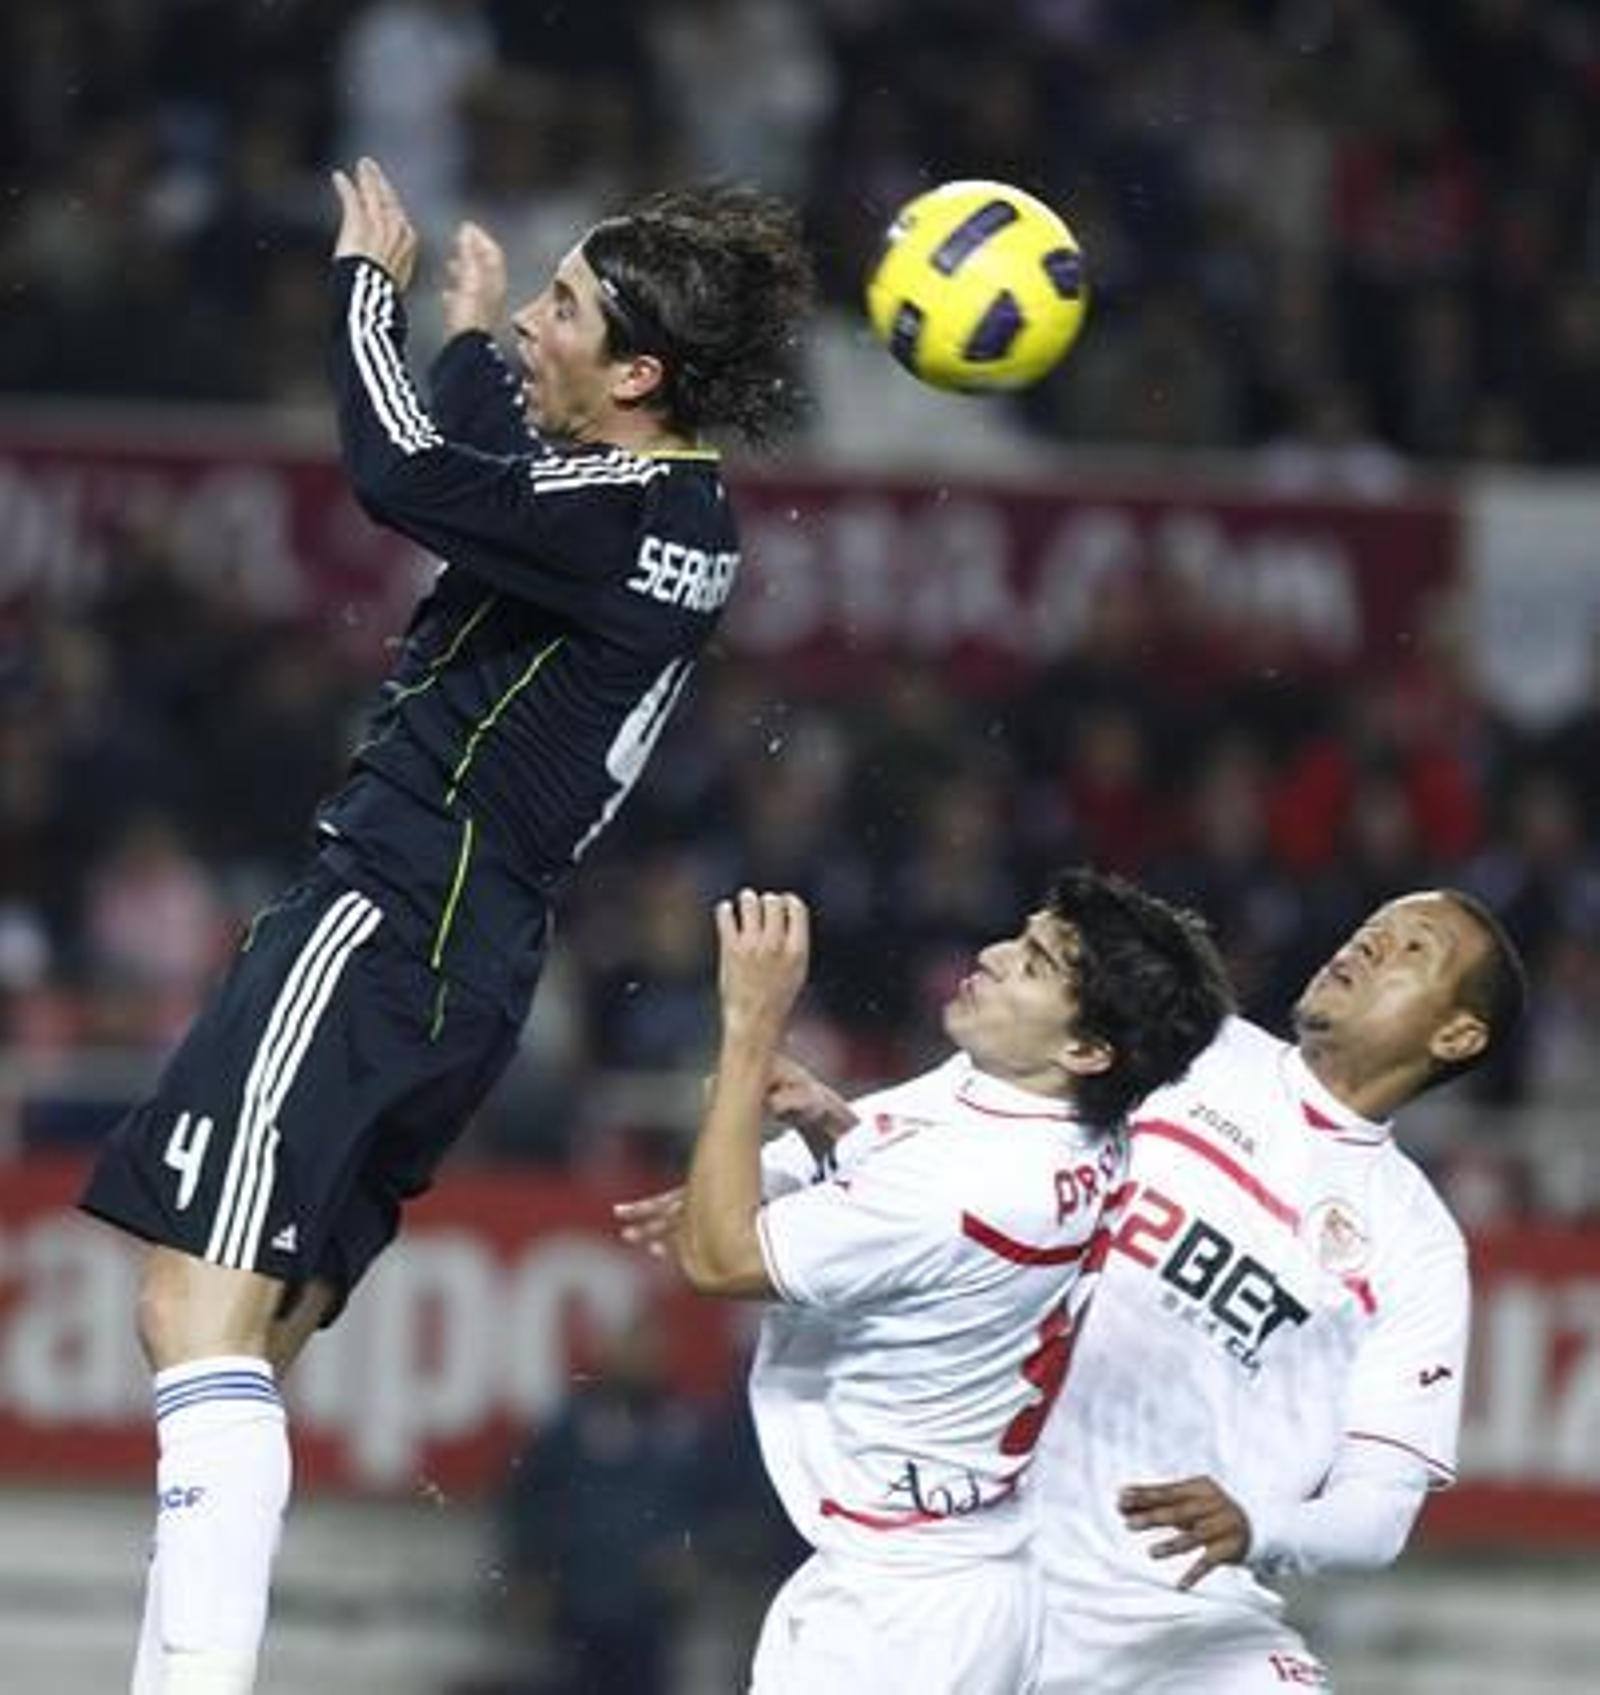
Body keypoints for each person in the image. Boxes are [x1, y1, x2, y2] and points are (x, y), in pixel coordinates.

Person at [78, 156, 814, 1695]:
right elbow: (507, 498)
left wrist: (369, 288)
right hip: (467, 964)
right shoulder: (680, 510)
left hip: (385, 911)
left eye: (562, 308)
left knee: (185, 1301)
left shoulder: (612, 510)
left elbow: (406, 477)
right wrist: (479, 343)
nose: (538, 320)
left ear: (640, 370)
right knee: (245, 1339)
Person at [620, 870, 1233, 1693]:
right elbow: (927, 1208)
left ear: (1086, 1050)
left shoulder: (975, 1185)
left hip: (906, 1615)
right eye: (1022, 933)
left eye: (1038, 963)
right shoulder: (1065, 1119)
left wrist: (750, 1025)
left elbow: (719, 1259)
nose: (994, 954)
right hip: (949, 1568)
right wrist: (834, 1127)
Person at [1033, 887, 1528, 1692]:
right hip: (995, 1559)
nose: (1369, 943)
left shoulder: (1417, 1243)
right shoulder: (1187, 1041)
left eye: (1412, 948)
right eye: (1371, 926)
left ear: (1458, 1031)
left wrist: (1260, 1524)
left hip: (1182, 1615)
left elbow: (1380, 1510)